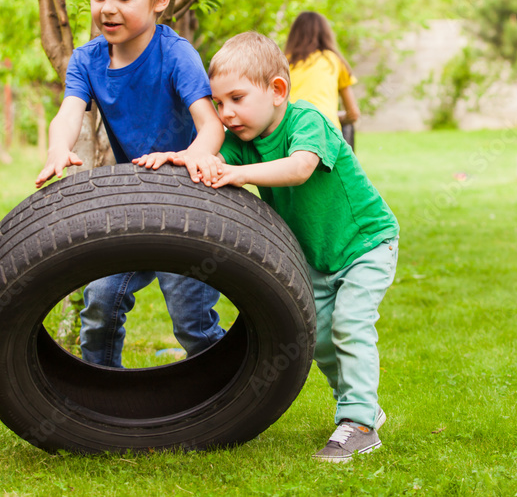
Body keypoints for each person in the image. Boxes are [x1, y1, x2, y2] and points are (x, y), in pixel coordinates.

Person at [164, 31, 399, 462]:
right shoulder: (243, 142)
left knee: (350, 324)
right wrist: (183, 159)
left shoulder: (308, 119)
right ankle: (359, 404)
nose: (227, 113)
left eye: (236, 98)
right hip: (316, 257)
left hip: (365, 243)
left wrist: (239, 175)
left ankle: (359, 421)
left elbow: (300, 168)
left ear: (276, 91)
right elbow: (211, 163)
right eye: (219, 103)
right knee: (321, 340)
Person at [34, 0, 226, 368]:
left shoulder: (177, 56)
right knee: (100, 301)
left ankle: (223, 390)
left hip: (189, 202)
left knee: (191, 323)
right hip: (136, 201)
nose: (108, 8)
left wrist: (194, 155)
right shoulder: (87, 60)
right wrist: (58, 148)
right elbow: (68, 112)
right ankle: (100, 388)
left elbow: (210, 124)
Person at [284, 11, 360, 148]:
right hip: (326, 129)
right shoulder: (333, 60)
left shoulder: (284, 62)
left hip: (290, 127)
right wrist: (335, 116)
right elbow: (353, 113)